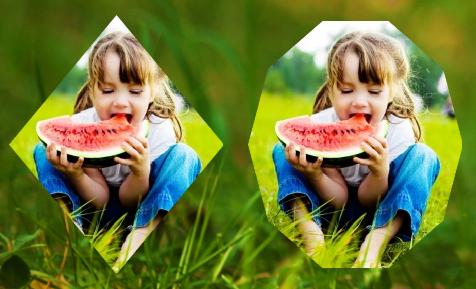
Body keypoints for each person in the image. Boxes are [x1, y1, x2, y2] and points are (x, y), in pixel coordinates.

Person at [273, 31, 440, 267]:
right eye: (347, 90)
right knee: (283, 150)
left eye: (374, 92)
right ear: (332, 90)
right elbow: (339, 199)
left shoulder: (398, 131)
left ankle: (376, 243)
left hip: (382, 214)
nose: (360, 102)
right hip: (331, 214)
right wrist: (315, 174)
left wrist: (379, 172)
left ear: (391, 92)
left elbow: (369, 200)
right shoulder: (323, 123)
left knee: (425, 156)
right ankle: (310, 231)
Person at [33, 32, 201, 267]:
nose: (121, 102)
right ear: (93, 91)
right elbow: (100, 200)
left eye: (134, 92)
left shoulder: (159, 131)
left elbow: (130, 200)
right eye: (108, 91)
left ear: (152, 92)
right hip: (94, 214)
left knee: (186, 156)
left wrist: (140, 172)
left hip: (142, 211)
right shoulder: (84, 124)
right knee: (43, 152)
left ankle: (141, 235)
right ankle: (67, 227)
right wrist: (76, 174)